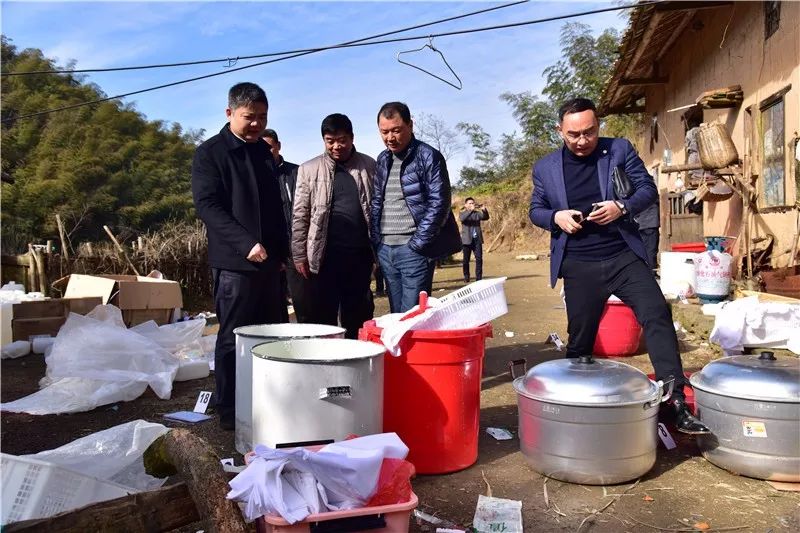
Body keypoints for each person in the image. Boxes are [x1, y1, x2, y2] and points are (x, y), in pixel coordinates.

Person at [528, 97, 708, 434]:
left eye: (590, 132)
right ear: (560, 131)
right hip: (578, 261)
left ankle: (676, 400)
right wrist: (556, 216)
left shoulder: (619, 150)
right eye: (574, 135)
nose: (583, 141)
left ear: (598, 126)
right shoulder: (546, 168)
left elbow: (646, 190)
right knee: (580, 338)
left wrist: (620, 207)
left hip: (623, 255)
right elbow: (535, 209)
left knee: (656, 313)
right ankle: (574, 404)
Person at [192, 82, 288, 430]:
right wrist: (245, 243)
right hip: (235, 265)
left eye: (262, 118)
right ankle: (229, 410)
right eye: (250, 117)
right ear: (229, 112)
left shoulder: (263, 153)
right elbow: (209, 206)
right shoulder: (210, 153)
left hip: (270, 264)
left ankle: (270, 402)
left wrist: (283, 251)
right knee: (235, 337)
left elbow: (274, 208)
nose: (256, 124)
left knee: (273, 335)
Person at [371, 102, 462, 312]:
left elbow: (440, 203)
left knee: (412, 315)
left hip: (413, 248)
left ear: (410, 125)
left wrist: (418, 243)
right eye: (384, 132)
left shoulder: (428, 156)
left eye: (396, 130)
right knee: (396, 315)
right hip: (386, 248)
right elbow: (377, 201)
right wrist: (376, 241)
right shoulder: (383, 159)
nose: (390, 137)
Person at [291, 113, 376, 339]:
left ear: (352, 137)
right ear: (324, 140)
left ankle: (358, 362)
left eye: (342, 140)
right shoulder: (308, 169)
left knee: (359, 314)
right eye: (330, 141)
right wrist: (299, 255)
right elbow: (300, 215)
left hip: (360, 256)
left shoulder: (369, 165)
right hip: (324, 258)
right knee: (324, 317)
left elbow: (377, 209)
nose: (337, 146)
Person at [262, 128, 301, 321]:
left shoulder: (296, 172)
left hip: (296, 248)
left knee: (302, 299)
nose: (266, 152)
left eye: (269, 147)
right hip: (269, 251)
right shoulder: (256, 176)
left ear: (278, 146)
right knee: (275, 304)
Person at [459, 197, 489, 283]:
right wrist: (470, 211)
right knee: (466, 260)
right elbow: (462, 219)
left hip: (477, 239)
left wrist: (484, 210)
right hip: (466, 240)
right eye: (470, 203)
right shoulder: (463, 213)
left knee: (479, 259)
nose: (472, 205)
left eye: (473, 203)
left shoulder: (477, 213)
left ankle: (479, 278)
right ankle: (466, 276)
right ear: (466, 205)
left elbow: (486, 217)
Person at [636, 202, 660, 275]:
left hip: (640, 224)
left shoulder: (638, 196)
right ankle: (651, 272)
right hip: (650, 224)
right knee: (651, 249)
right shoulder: (650, 196)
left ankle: (643, 272)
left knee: (642, 250)